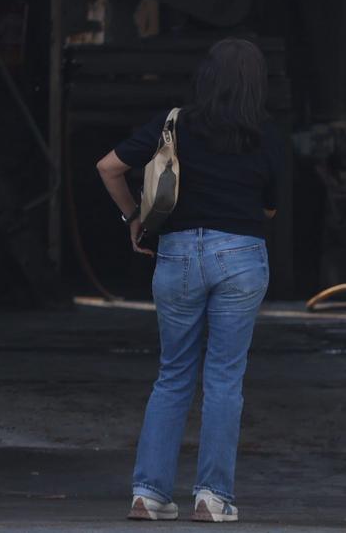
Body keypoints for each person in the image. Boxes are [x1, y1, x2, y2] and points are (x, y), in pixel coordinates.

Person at [95, 38, 285, 524]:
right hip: (240, 255)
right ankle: (211, 497)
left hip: (177, 255)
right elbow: (271, 205)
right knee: (224, 377)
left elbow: (109, 167)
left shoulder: (174, 124)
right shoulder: (265, 133)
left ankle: (149, 494)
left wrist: (134, 216)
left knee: (174, 373)